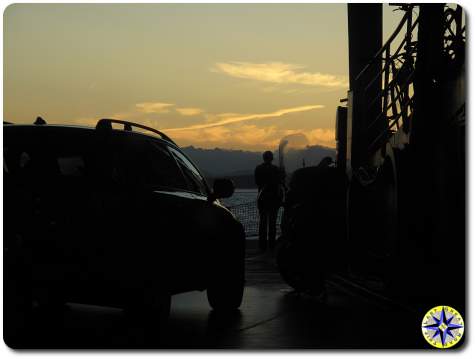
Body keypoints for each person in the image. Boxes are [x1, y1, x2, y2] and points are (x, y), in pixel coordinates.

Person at [254, 151, 283, 252]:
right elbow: (280, 182)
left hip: (262, 199)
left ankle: (262, 246)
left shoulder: (258, 169)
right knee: (272, 223)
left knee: (263, 223)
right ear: (271, 158)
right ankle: (271, 246)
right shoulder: (276, 169)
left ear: (263, 158)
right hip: (274, 200)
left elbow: (257, 182)